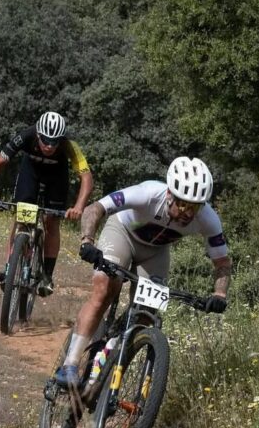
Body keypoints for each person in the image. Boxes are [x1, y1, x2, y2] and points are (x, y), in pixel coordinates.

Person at [54, 155, 231, 387]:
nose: (188, 213)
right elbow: (94, 209)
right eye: (184, 204)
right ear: (169, 194)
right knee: (105, 288)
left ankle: (110, 359)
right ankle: (70, 363)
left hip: (156, 251)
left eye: (195, 207)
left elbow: (222, 263)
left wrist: (219, 295)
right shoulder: (147, 193)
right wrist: (87, 241)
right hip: (123, 233)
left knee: (148, 314)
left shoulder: (209, 219)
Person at [0, 111, 94, 296]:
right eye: (46, 140)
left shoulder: (69, 146)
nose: (49, 146)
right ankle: (10, 266)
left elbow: (86, 178)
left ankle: (47, 276)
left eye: (54, 142)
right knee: (22, 216)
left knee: (51, 221)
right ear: (38, 134)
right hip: (30, 172)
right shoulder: (26, 135)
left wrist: (79, 207)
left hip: (57, 177)